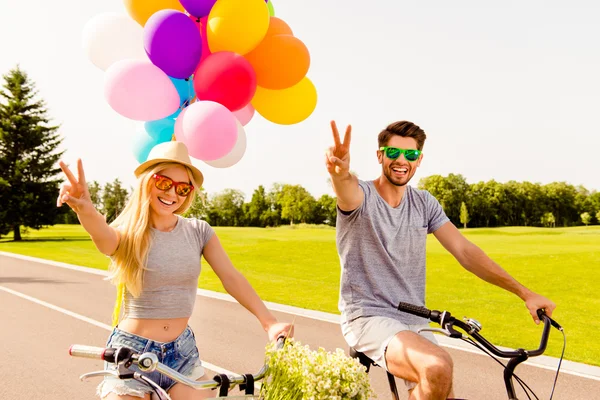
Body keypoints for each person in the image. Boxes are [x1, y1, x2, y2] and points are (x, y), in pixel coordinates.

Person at [325, 120, 556, 400]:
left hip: (415, 318)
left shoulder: (424, 203)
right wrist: (341, 173)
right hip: (369, 316)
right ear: (380, 155)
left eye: (410, 155)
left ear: (419, 160)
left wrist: (525, 293)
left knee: (441, 388)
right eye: (394, 152)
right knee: (437, 365)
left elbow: (466, 252)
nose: (401, 160)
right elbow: (346, 189)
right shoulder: (363, 197)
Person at [57, 141, 293, 400]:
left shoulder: (199, 231)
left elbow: (231, 277)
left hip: (181, 353)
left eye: (182, 188)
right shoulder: (129, 233)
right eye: (164, 182)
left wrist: (269, 323)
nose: (173, 193)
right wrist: (85, 209)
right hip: (132, 353)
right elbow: (102, 237)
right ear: (148, 181)